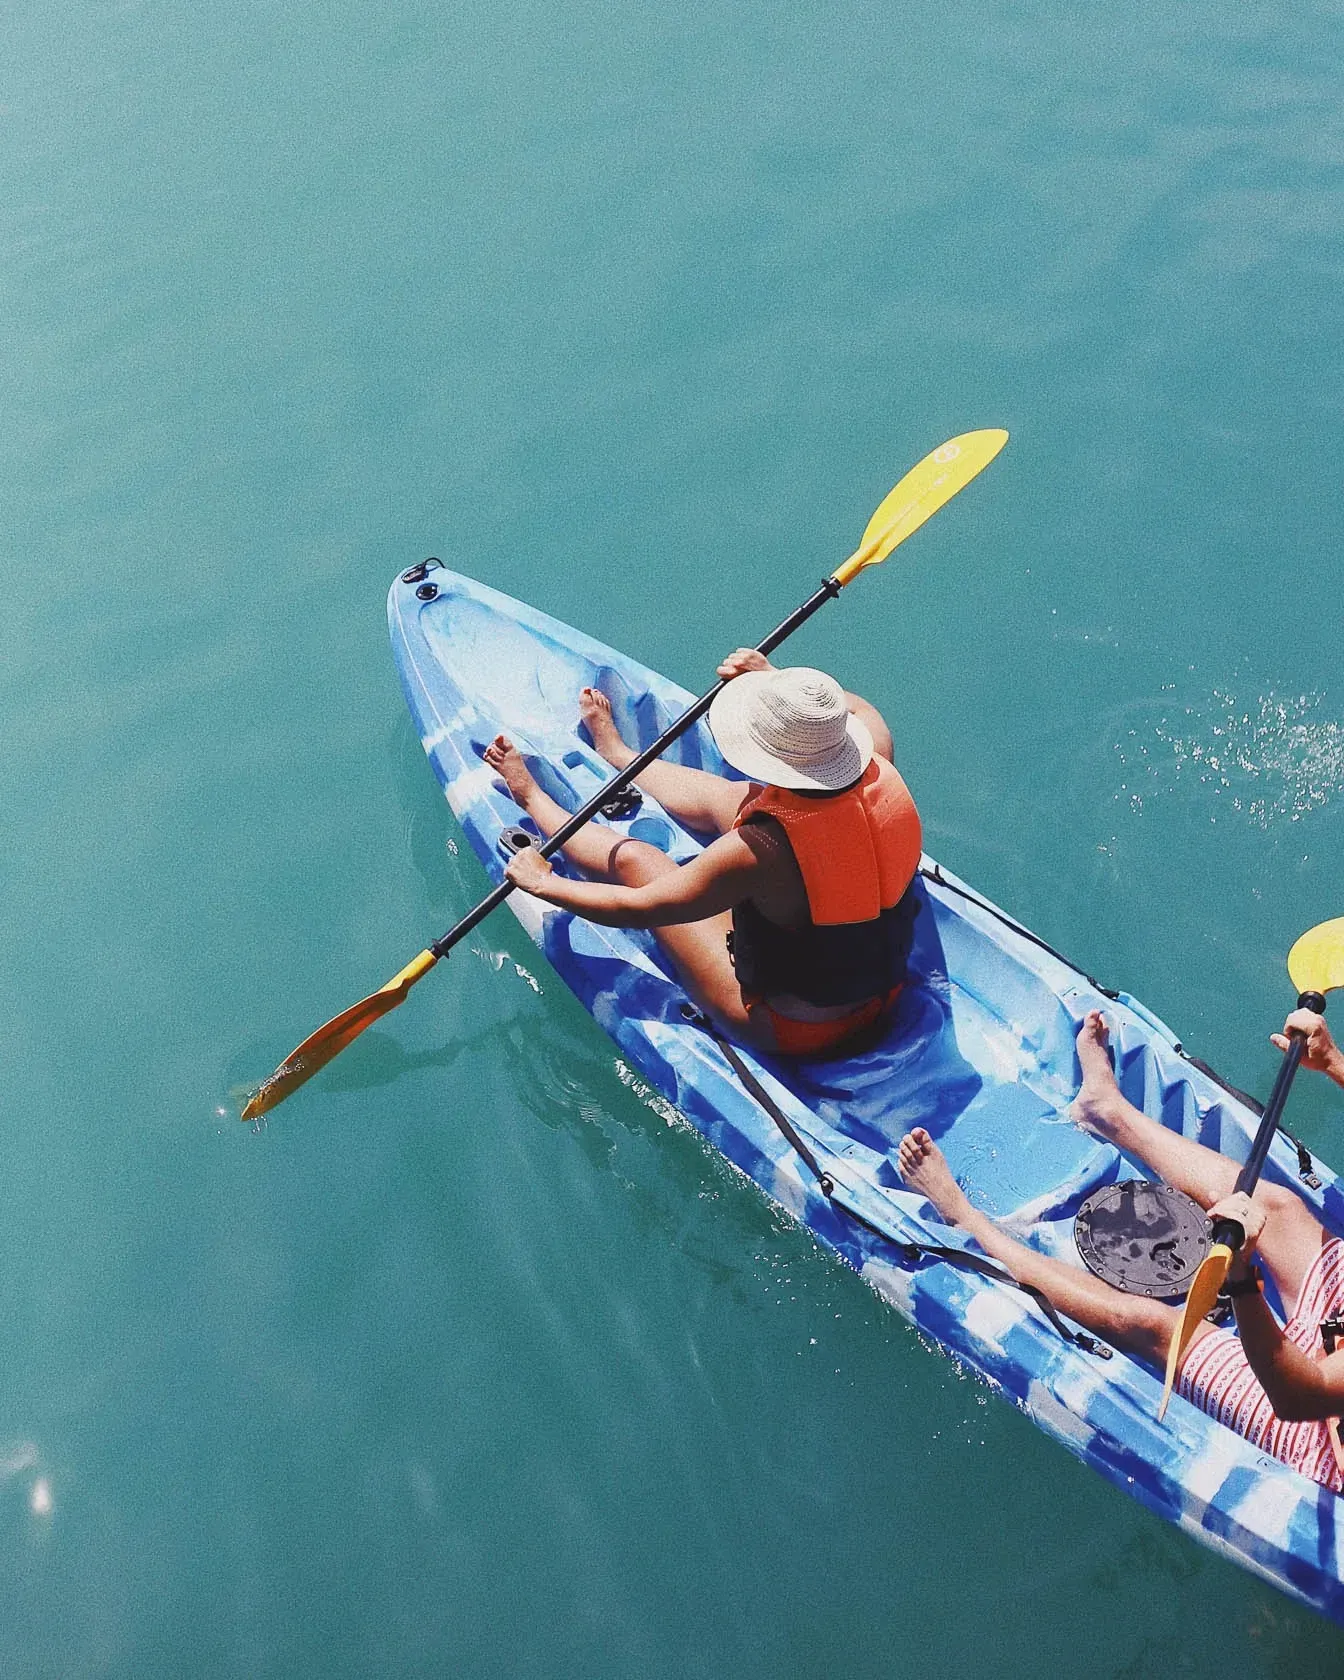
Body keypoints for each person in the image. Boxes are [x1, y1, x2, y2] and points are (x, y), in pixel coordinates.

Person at [897, 1008, 1344, 1491]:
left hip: (1318, 1424)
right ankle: (1106, 1109)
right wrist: (1333, 1062)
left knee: (1157, 1326)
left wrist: (1239, 1278)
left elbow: (1301, 1395)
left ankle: (969, 1222)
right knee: (1278, 1207)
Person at [485, 649, 922, 1057]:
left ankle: (532, 800)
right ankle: (619, 755)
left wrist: (544, 882)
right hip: (887, 989)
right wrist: (775, 682)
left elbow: (640, 908)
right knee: (736, 798)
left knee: (645, 865)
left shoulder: (759, 852)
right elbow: (860, 711)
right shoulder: (878, 752)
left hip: (797, 1029)